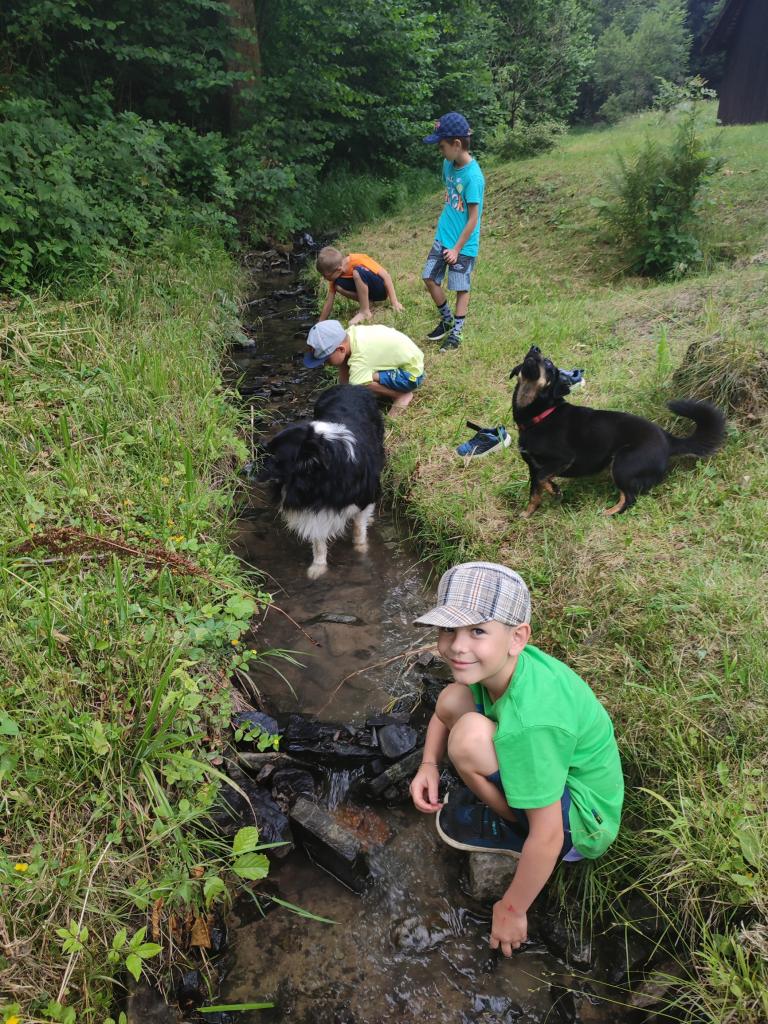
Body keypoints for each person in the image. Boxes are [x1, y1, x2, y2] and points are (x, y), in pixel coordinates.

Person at [409, 562, 624, 957]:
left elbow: (550, 834)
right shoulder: (504, 668)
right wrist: (428, 765)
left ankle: (513, 828)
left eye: (477, 631)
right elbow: (443, 711)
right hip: (555, 778)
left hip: (579, 824)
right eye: (449, 629)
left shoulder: (532, 721)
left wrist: (512, 909)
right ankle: (516, 801)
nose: (457, 646)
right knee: (454, 699)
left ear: (517, 637)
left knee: (468, 739)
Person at [421, 111, 485, 352]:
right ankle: (447, 319)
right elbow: (450, 198)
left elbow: (473, 218)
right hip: (443, 236)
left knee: (460, 287)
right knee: (429, 277)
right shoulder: (447, 165)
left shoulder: (473, 177)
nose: (440, 151)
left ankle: (456, 333)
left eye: (442, 146)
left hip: (463, 245)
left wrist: (457, 249)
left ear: (457, 144)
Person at [304, 319, 424, 416]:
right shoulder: (349, 336)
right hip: (405, 357)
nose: (325, 364)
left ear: (340, 349)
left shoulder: (360, 357)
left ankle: (400, 395)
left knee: (358, 383)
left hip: (410, 374)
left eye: (326, 359)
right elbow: (344, 378)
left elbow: (354, 386)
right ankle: (382, 389)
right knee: (354, 377)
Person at [317, 247, 404, 326]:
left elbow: (386, 276)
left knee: (357, 272)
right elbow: (329, 302)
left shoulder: (357, 260)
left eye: (325, 275)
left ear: (339, 269)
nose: (324, 278)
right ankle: (367, 302)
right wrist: (320, 323)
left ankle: (365, 312)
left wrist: (394, 302)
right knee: (338, 286)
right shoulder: (335, 276)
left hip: (380, 289)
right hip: (369, 292)